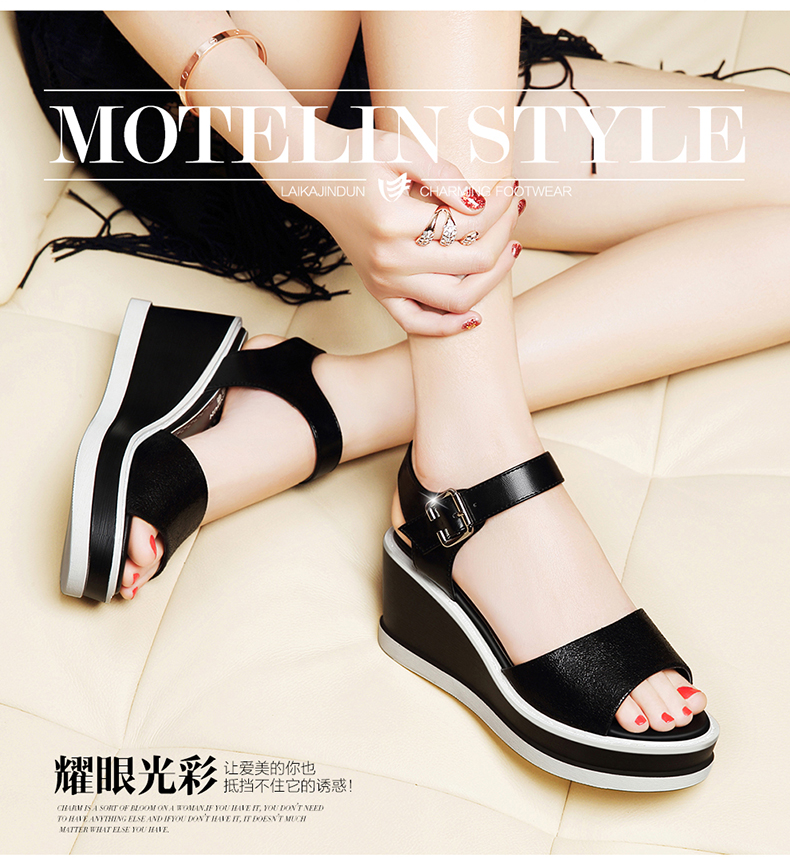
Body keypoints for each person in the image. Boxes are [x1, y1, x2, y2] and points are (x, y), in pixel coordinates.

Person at [25, 11, 790, 788]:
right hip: (215, 83)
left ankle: (322, 402)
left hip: (431, 53)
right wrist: (307, 160)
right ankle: (478, 457)